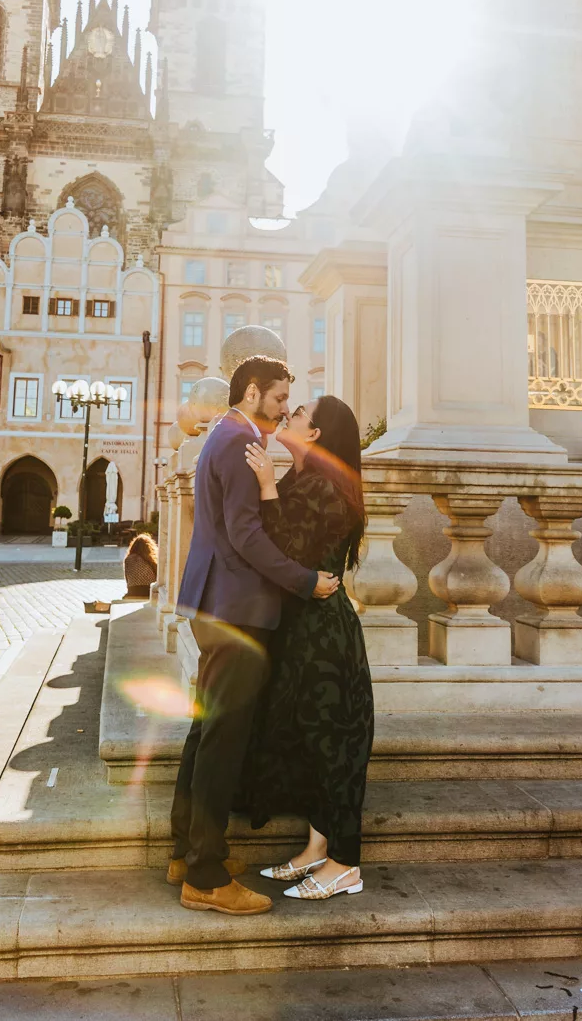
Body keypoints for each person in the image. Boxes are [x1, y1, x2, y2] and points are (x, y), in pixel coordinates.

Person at [168, 356, 341, 917]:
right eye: (278, 398)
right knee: (223, 738)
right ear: (250, 391)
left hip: (216, 602)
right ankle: (205, 876)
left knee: (206, 730)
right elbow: (245, 533)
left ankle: (188, 850)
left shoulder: (226, 434)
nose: (284, 408)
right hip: (237, 609)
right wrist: (304, 580)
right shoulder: (242, 443)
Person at [242, 394, 373, 902]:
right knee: (308, 745)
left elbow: (287, 554)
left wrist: (268, 487)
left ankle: (345, 864)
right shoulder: (303, 479)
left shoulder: (324, 486)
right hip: (303, 630)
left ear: (314, 434)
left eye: (297, 414)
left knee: (331, 747)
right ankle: (317, 848)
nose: (287, 416)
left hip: (325, 637)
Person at [124, 532, 158, 598]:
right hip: (148, 592)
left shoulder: (128, 559)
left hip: (133, 591)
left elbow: (127, 579)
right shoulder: (151, 559)